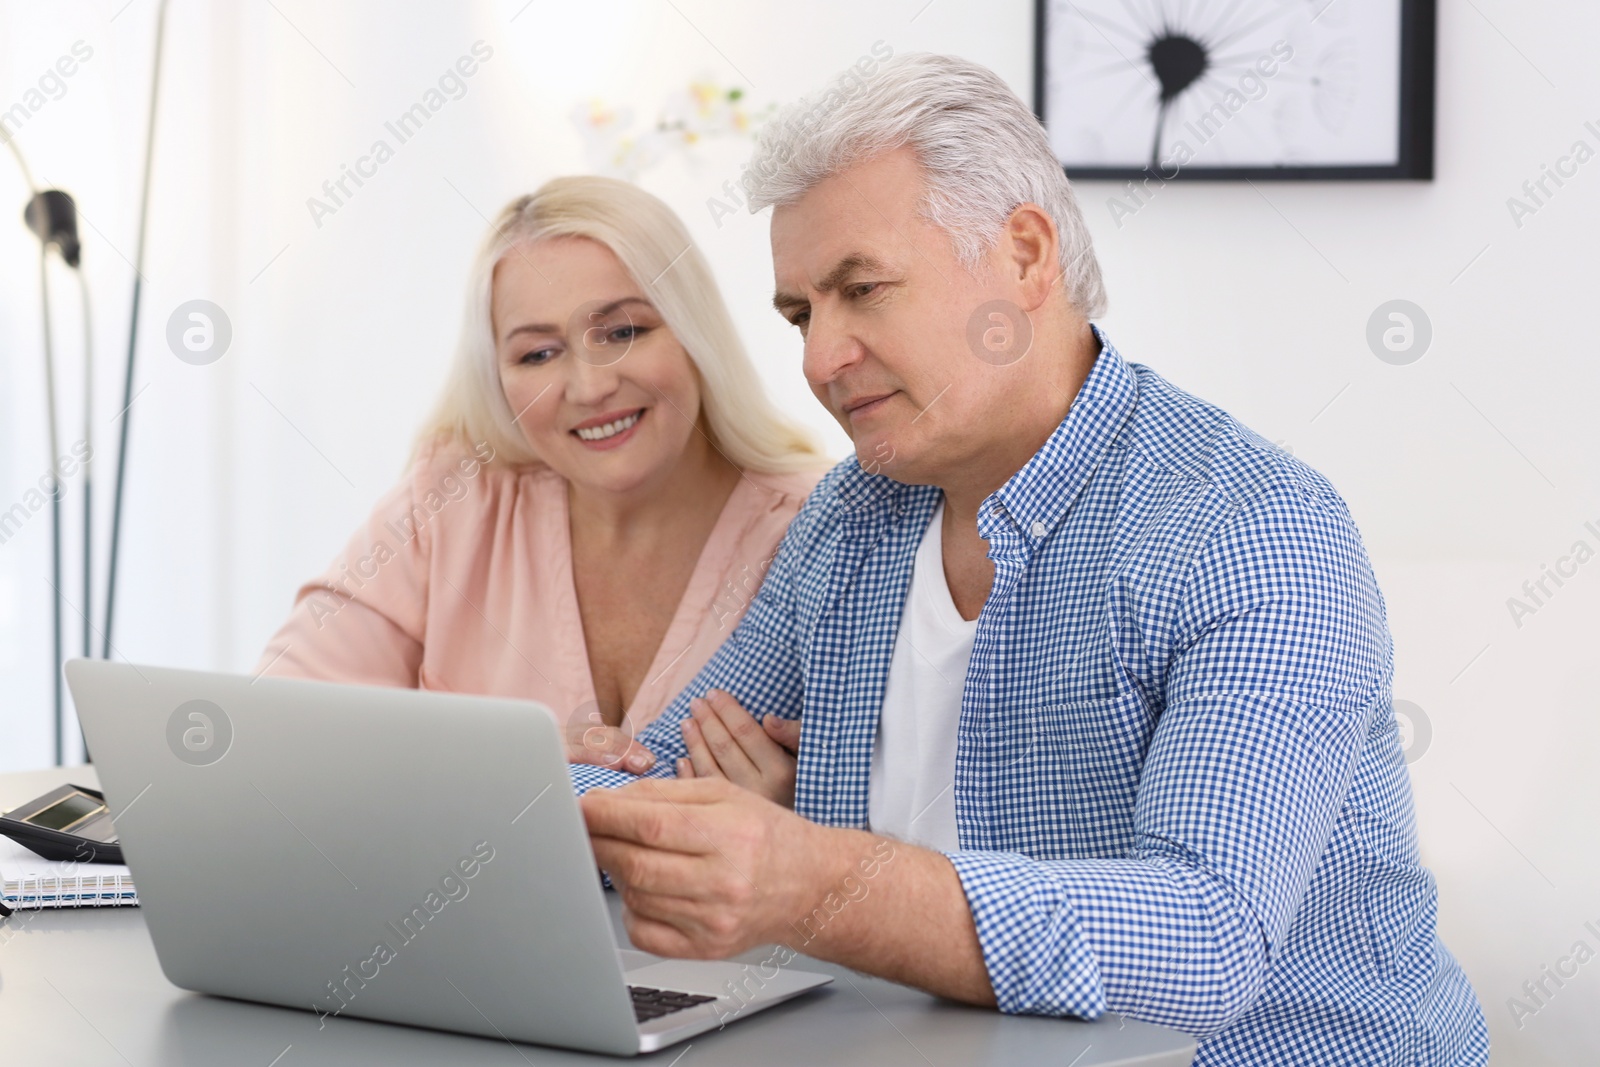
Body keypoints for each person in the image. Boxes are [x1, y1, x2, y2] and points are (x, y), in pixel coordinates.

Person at [567, 55, 1490, 1065]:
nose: (818, 358)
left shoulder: (1252, 529)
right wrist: (588, 801)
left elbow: (1204, 935)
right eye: (799, 312)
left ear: (1023, 253)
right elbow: (645, 783)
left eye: (861, 290)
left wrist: (815, 876)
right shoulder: (851, 518)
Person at [256, 177, 825, 763]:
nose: (590, 386)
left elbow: (892, 797)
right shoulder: (451, 503)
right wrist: (499, 760)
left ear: (693, 331)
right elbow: (275, 729)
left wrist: (799, 806)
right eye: (538, 353)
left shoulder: (824, 531)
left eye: (624, 332)